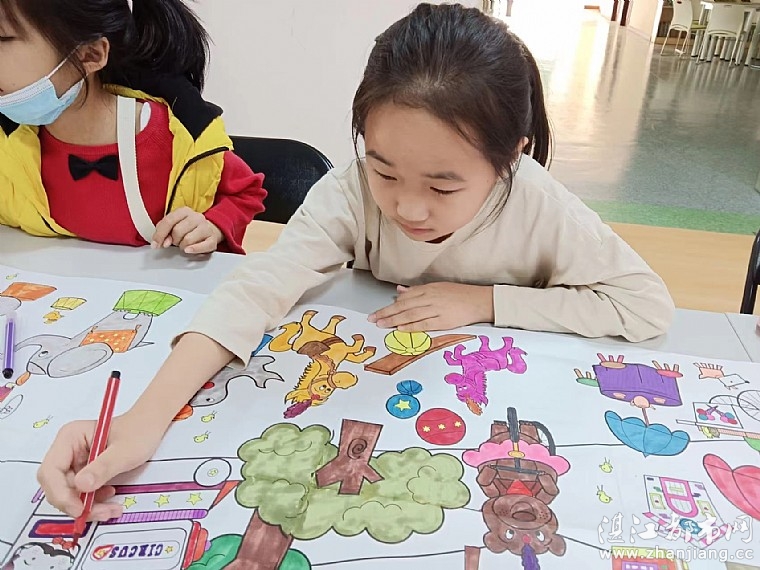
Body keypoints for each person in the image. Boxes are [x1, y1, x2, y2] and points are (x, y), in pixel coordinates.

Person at [36, 2, 674, 522]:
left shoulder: (540, 205)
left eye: (443, 185)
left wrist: (485, 302)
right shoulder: (348, 192)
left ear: (513, 155)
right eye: (385, 170)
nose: (408, 207)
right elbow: (258, 288)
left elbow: (644, 305)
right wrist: (142, 420)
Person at [0, 0, 266, 254]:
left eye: (2, 38)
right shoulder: (9, 143)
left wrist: (214, 225)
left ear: (90, 54)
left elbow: (245, 192)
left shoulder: (178, 138)